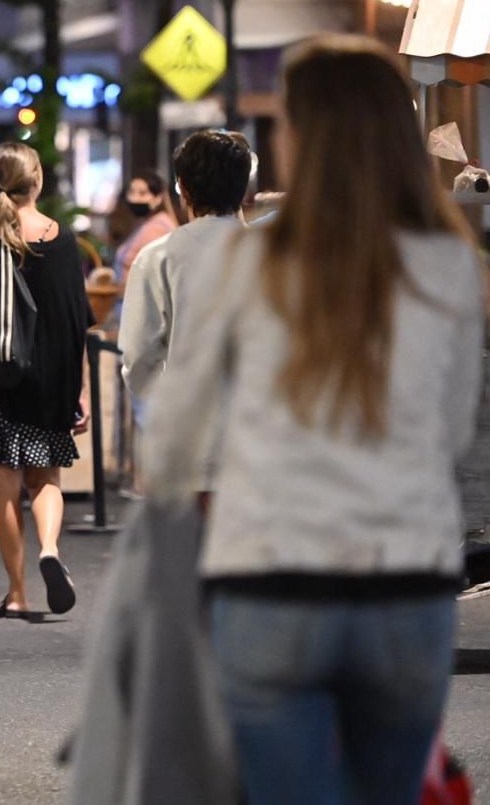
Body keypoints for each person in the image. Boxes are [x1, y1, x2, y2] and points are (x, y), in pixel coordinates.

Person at [141, 35, 484, 805]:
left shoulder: (240, 264)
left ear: (303, 137)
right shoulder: (450, 265)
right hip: (407, 581)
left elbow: (174, 440)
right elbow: (453, 429)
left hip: (271, 580)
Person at [0, 141, 92, 617]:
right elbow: (77, 320)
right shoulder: (64, 239)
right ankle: (50, 548)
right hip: (52, 373)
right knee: (45, 475)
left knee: (4, 482)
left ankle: (17, 593)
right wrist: (80, 387)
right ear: (38, 180)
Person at [118, 129, 253, 403]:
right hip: (261, 418)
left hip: (188, 415)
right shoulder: (274, 254)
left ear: (184, 188)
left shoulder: (157, 257)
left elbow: (138, 359)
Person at [112, 169, 177, 283]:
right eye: (131, 192)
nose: (135, 198)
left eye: (142, 193)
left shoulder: (158, 227)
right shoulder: (145, 223)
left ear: (158, 198)